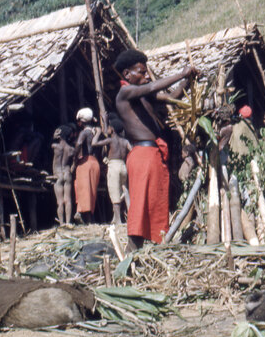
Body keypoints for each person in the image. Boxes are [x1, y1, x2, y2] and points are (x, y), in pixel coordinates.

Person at [114, 48, 198, 249]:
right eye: (141, 72)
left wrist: (188, 81)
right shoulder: (125, 93)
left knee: (154, 205)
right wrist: (181, 74)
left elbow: (173, 96)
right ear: (127, 74)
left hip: (153, 155)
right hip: (142, 155)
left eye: (146, 72)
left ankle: (150, 250)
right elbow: (152, 86)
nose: (146, 76)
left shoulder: (143, 96)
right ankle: (132, 253)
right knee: (141, 208)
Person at [95, 113, 131, 226]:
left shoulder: (110, 141)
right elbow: (132, 150)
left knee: (115, 194)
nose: (108, 130)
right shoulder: (125, 141)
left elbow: (94, 143)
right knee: (125, 190)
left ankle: (118, 221)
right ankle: (130, 215)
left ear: (113, 130)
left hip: (114, 166)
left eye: (109, 128)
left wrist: (98, 133)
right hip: (123, 166)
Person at [73, 108, 102, 224]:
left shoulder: (84, 133)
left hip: (86, 162)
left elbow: (79, 144)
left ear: (81, 122)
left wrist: (75, 159)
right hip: (95, 163)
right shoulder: (97, 132)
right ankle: (89, 219)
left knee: (83, 189)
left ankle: (80, 212)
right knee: (91, 191)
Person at [51, 124, 76, 226]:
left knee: (60, 201)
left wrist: (54, 136)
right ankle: (68, 222)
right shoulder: (71, 149)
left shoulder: (55, 146)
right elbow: (74, 164)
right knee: (68, 199)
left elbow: (50, 142)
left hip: (58, 174)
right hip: (67, 172)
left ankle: (62, 223)